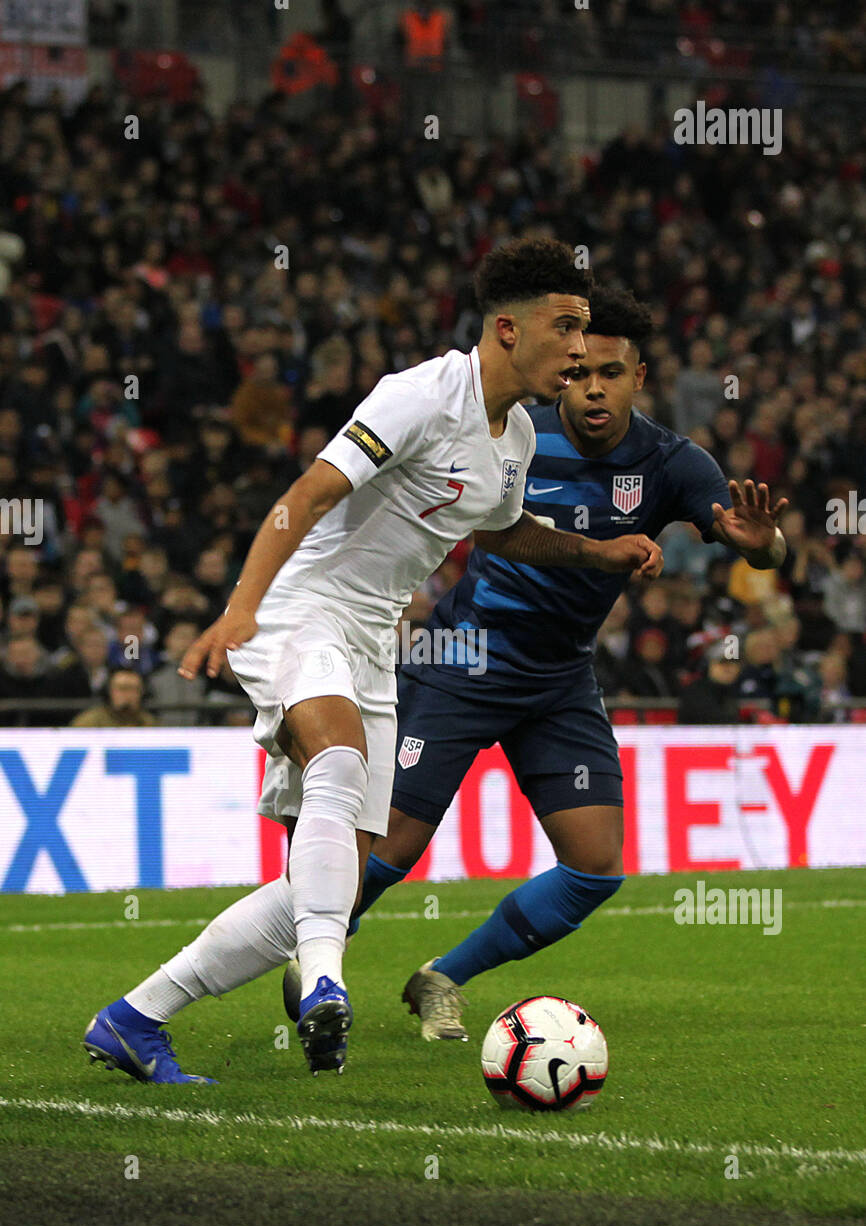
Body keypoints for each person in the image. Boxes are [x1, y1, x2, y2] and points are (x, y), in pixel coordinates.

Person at [83, 237, 662, 1084]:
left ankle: (136, 1018)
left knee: (327, 891)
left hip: (371, 638)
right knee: (340, 758)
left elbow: (495, 528)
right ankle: (326, 982)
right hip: (299, 604)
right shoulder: (420, 395)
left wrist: (595, 553)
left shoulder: (517, 440)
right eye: (567, 326)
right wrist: (242, 608)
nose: (581, 350)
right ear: (508, 328)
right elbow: (308, 494)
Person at [282, 287, 788, 1041]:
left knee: (595, 868)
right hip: (463, 660)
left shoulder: (671, 463)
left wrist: (760, 544)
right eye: (582, 370)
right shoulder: (515, 433)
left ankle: (442, 976)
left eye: (612, 374)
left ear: (638, 377)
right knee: (391, 850)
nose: (593, 388)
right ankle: (316, 955)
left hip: (558, 680)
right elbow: (486, 530)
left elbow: (766, 549)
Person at [70, 667, 156, 728]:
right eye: (123, 688)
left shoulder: (150, 724)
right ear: (109, 691)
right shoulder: (88, 723)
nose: (128, 695)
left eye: (134, 689)